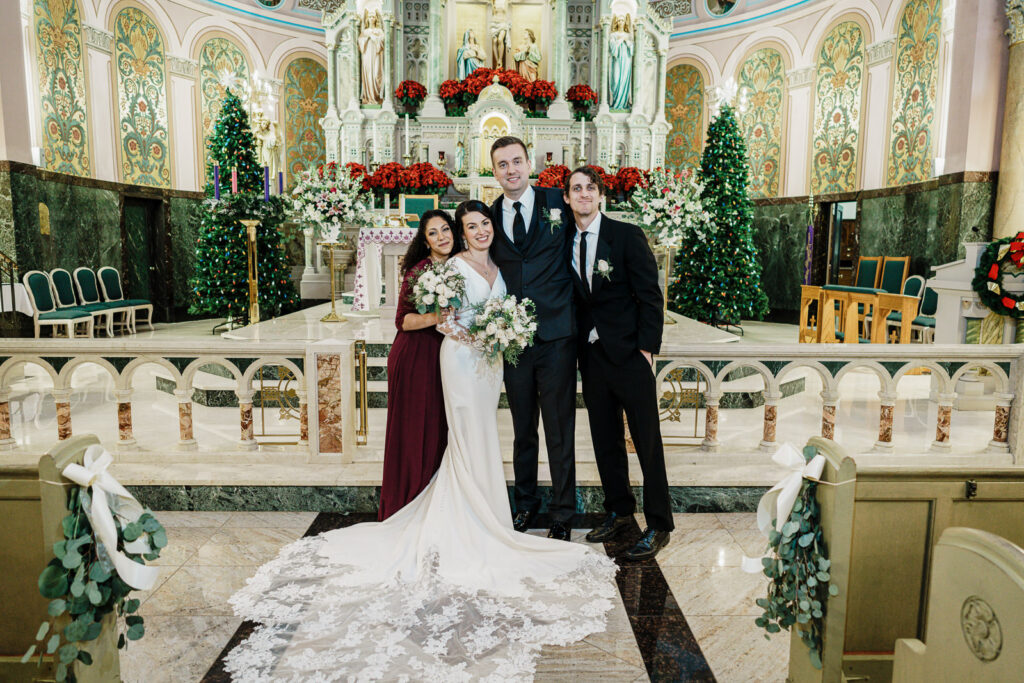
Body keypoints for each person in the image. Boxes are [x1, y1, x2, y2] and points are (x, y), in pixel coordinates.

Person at [224, 200, 618, 681]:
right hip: (461, 358)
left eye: (482, 224)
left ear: (490, 228)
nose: (477, 231)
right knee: (468, 433)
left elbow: (499, 307)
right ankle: (472, 520)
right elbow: (446, 318)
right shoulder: (448, 267)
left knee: (481, 439)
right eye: (469, 226)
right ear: (458, 232)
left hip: (489, 362)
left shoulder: (499, 264)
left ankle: (488, 513)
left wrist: (500, 332)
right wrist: (480, 335)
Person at [564, 166, 675, 561]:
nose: (584, 194)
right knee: (605, 439)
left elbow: (650, 294)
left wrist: (646, 349)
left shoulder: (625, 235)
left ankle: (660, 523)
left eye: (590, 188)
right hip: (592, 357)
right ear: (566, 198)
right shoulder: (565, 239)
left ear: (600, 195)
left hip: (629, 354)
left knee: (646, 440)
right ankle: (620, 510)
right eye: (576, 189)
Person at [488, 136, 577, 541]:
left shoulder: (560, 203)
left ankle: (562, 511)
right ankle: (525, 505)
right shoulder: (487, 217)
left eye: (517, 161)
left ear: (531, 163)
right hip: (514, 340)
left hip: (557, 335)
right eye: (502, 164)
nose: (511, 170)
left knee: (559, 428)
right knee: (523, 428)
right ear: (494, 172)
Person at [378, 210, 458, 521]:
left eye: (446, 229)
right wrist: (438, 316)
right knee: (414, 432)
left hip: (440, 356)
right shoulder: (420, 271)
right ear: (425, 242)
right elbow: (403, 321)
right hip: (415, 356)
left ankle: (434, 504)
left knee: (437, 429)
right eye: (433, 233)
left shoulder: (457, 266)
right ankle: (407, 505)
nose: (442, 237)